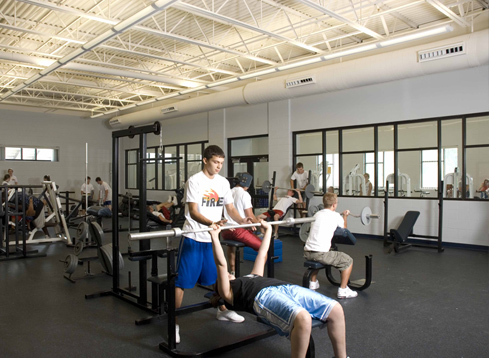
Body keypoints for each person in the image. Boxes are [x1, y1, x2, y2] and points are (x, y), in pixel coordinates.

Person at [209, 220, 349, 358]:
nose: (227, 275)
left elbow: (262, 254)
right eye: (223, 277)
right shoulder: (227, 292)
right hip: (263, 297)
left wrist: (268, 229)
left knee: (335, 308)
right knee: (303, 318)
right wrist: (215, 237)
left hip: (285, 287)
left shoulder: (252, 276)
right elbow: (221, 264)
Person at [175, 145, 252, 344]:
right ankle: (173, 322)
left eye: (221, 163)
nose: (219, 167)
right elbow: (193, 211)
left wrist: (243, 220)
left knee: (219, 276)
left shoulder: (223, 183)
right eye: (215, 162)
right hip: (193, 237)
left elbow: (230, 209)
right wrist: (211, 223)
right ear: (205, 160)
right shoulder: (194, 181)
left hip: (212, 238)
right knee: (182, 282)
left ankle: (222, 310)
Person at [303, 192, 357, 299]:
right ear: (334, 205)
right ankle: (343, 290)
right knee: (348, 261)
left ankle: (313, 283)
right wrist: (345, 216)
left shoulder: (317, 214)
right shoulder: (336, 216)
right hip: (320, 254)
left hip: (307, 252)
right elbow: (344, 230)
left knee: (317, 255)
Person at [222, 172, 262, 275]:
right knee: (264, 248)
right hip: (238, 230)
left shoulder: (228, 192)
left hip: (226, 231)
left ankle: (233, 272)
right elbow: (250, 215)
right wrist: (259, 224)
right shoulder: (245, 194)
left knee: (230, 247)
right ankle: (256, 275)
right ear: (248, 184)